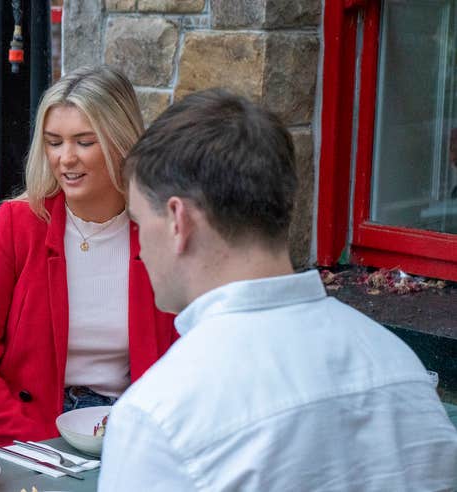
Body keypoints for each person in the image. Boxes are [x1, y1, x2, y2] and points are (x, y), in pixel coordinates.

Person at [99, 89, 457, 490]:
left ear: (177, 221)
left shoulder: (158, 415)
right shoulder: (401, 369)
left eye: (137, 221)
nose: (140, 247)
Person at [0, 66, 179, 452]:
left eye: (84, 142)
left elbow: (182, 357)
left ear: (122, 142)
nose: (65, 158)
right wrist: (38, 445)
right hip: (20, 431)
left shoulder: (158, 232)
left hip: (125, 429)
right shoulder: (17, 225)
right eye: (54, 142)